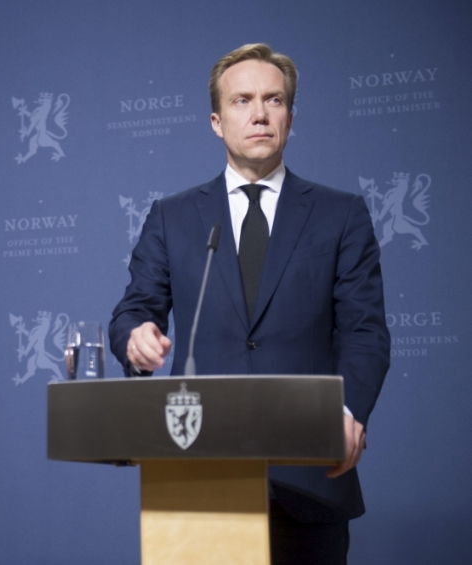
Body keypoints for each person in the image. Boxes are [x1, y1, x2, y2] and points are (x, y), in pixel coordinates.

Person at [109, 44, 390, 564]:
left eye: (273, 99)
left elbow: (365, 332)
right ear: (217, 121)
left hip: (310, 476)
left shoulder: (341, 214)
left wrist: (347, 413)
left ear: (289, 115)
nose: (259, 113)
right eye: (242, 101)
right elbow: (135, 309)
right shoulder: (172, 217)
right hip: (201, 476)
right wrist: (135, 337)